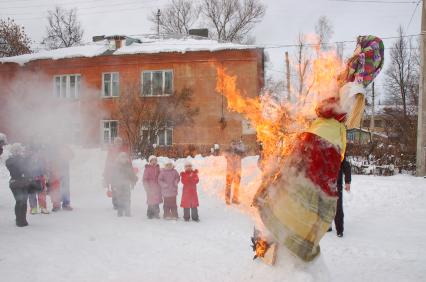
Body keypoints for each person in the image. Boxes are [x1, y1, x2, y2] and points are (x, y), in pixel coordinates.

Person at [5, 143, 31, 227]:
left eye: (19, 150)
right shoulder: (10, 160)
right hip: (15, 183)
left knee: (24, 201)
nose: (18, 152)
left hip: (24, 182)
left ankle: (23, 219)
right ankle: (19, 220)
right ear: (13, 151)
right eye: (16, 150)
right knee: (19, 201)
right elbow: (15, 170)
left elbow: (28, 169)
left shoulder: (23, 159)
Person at [103, 137, 129, 210]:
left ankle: (123, 203)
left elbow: (128, 161)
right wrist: (106, 173)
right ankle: (115, 204)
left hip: (123, 173)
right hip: (113, 173)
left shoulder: (124, 150)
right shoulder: (111, 151)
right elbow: (107, 162)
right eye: (117, 142)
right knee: (114, 189)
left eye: (119, 142)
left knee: (123, 189)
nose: (118, 143)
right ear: (114, 143)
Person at [109, 152, 137, 217]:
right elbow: (113, 175)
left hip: (126, 183)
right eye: (122, 157)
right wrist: (113, 184)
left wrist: (133, 181)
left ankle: (128, 212)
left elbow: (131, 174)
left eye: (125, 157)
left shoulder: (128, 164)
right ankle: (120, 212)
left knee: (127, 197)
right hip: (119, 184)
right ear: (119, 158)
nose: (123, 159)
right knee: (120, 198)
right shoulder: (116, 165)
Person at [329, 157, 351, 237]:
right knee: (326, 205)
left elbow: (346, 166)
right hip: (325, 183)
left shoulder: (339, 150)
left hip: (336, 184)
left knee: (337, 207)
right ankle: (328, 225)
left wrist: (347, 182)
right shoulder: (323, 148)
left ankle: (339, 229)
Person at [27, 143, 49, 214]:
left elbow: (45, 168)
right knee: (32, 194)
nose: (36, 153)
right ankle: (33, 208)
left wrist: (45, 175)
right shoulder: (28, 159)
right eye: (34, 151)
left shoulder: (42, 159)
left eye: (37, 151)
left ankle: (43, 207)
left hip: (40, 178)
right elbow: (25, 169)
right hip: (31, 179)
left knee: (42, 194)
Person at [224, 139, 245, 205]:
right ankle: (227, 199)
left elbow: (244, 153)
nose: (233, 146)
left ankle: (235, 199)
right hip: (230, 172)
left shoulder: (239, 153)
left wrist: (241, 145)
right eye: (232, 144)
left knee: (237, 186)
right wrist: (231, 151)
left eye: (235, 144)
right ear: (230, 145)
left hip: (237, 172)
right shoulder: (228, 152)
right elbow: (225, 154)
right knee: (228, 186)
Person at [58, 144, 74, 210]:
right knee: (57, 186)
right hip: (57, 168)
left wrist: (66, 155)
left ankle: (66, 203)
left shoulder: (65, 146)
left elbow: (72, 155)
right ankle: (57, 204)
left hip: (65, 170)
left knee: (65, 186)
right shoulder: (55, 147)